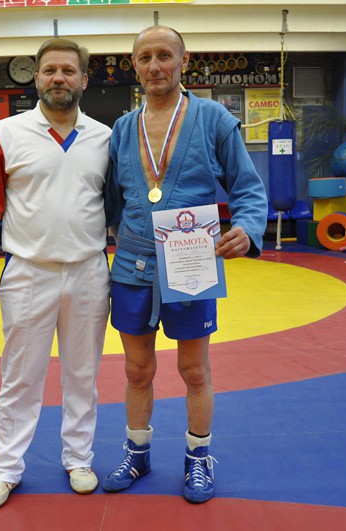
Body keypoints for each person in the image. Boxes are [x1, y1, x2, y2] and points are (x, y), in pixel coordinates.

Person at [101, 26, 268, 504]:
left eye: (164, 56)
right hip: (133, 263)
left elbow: (247, 187)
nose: (155, 66)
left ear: (184, 60)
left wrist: (248, 227)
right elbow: (107, 200)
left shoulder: (214, 118)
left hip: (191, 258)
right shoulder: (122, 128)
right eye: (145, 57)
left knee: (194, 371)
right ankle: (137, 452)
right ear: (134, 65)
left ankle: (198, 457)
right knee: (136, 370)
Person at [0, 37, 111, 511]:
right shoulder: (6, 134)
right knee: (20, 377)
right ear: (37, 78)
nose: (58, 78)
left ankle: (79, 459)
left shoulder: (105, 137)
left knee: (83, 374)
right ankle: (5, 469)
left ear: (83, 79)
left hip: (89, 270)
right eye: (49, 70)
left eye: (68, 70)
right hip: (27, 271)